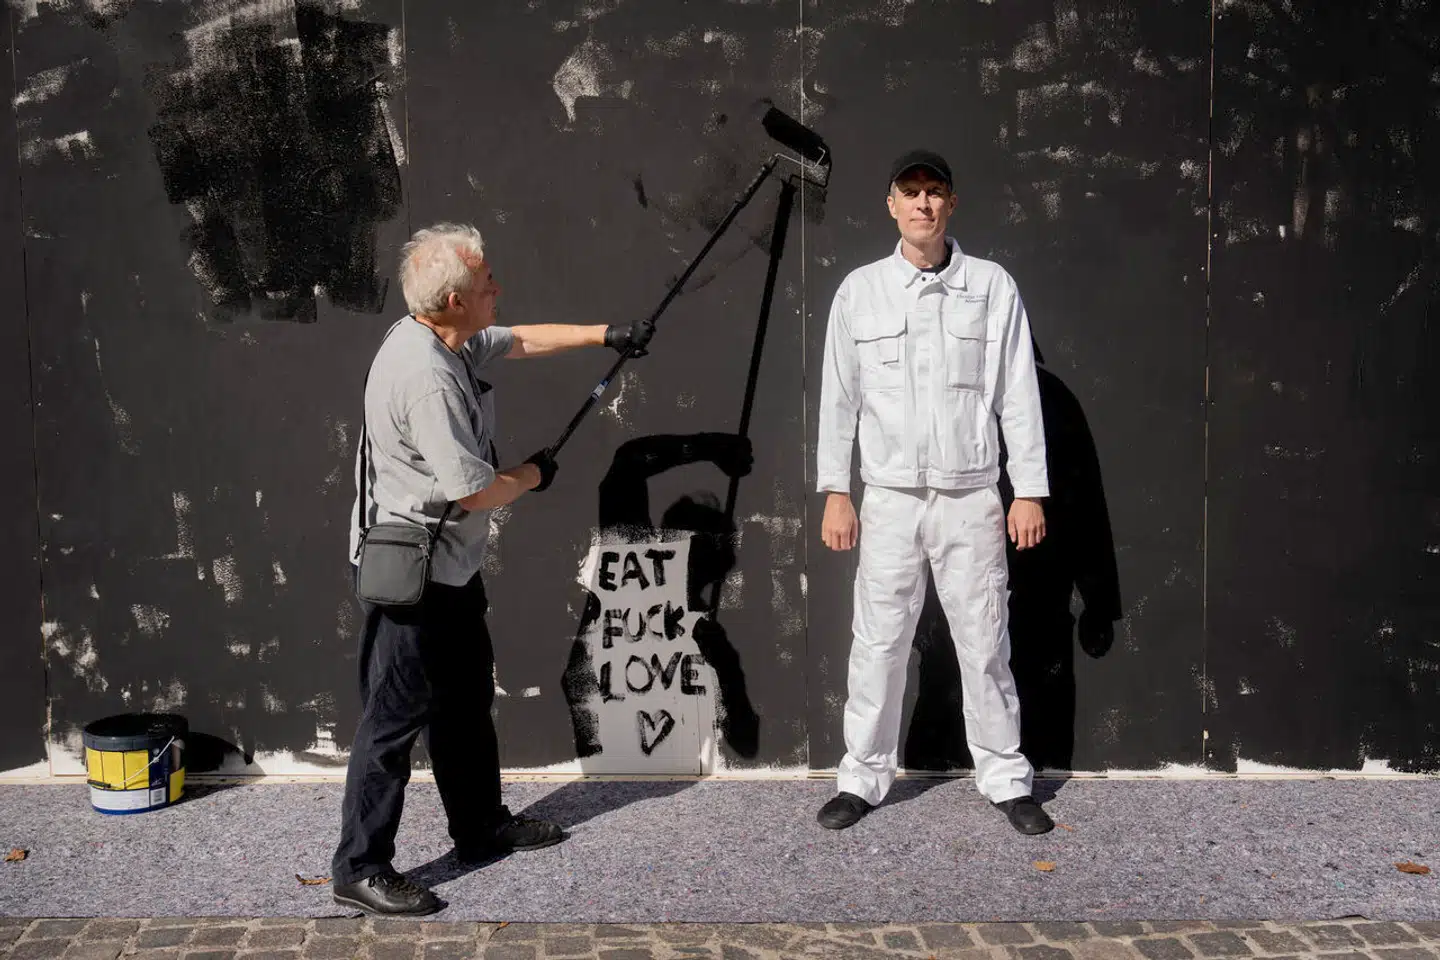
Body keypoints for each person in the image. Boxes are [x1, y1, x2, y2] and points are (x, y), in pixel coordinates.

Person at [332, 222, 656, 916]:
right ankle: (359, 866)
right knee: (392, 725)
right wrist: (533, 476)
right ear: (452, 300)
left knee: (466, 707)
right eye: (486, 284)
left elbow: (519, 338)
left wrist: (608, 334)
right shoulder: (426, 379)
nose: (497, 290)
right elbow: (473, 490)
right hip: (413, 576)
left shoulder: (440, 337)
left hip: (449, 569)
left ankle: (480, 828)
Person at [814, 150, 1054, 835]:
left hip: (971, 497)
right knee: (878, 642)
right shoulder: (861, 292)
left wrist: (1027, 489)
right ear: (891, 205)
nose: (923, 203)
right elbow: (840, 400)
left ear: (952, 205)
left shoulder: (991, 286)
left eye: (935, 192)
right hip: (889, 499)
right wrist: (837, 489)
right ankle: (862, 777)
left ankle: (1006, 777)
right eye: (911, 192)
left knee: (984, 641)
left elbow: (1017, 393)